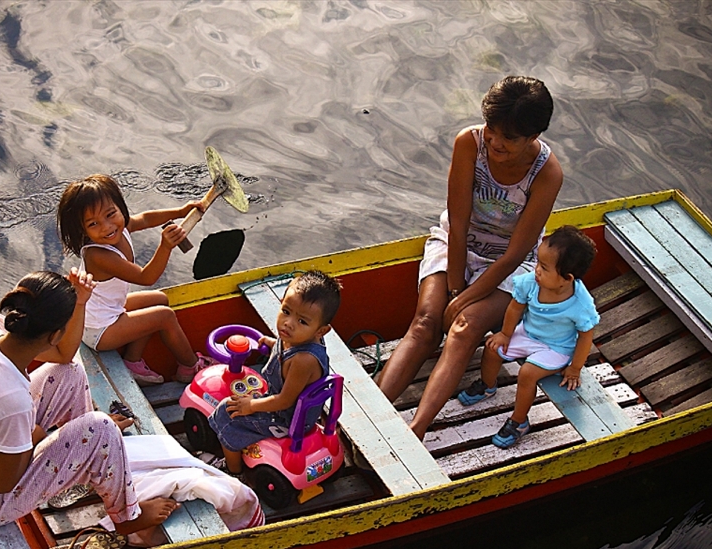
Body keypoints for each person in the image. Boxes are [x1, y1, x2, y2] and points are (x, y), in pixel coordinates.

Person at [376, 76, 563, 440]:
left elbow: (514, 255)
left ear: (533, 137)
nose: (494, 142)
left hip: (511, 263)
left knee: (463, 329)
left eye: (508, 138)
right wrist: (456, 285)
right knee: (425, 324)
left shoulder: (547, 173)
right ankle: (370, 417)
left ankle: (416, 429)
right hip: (457, 244)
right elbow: (458, 222)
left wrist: (463, 301)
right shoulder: (469, 143)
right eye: (491, 130)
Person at [0, 269, 179, 541]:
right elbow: (4, 484)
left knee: (70, 373)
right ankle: (126, 517)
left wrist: (81, 300)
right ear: (54, 335)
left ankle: (90, 458)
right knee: (102, 427)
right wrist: (36, 435)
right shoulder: (11, 401)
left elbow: (65, 356)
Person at [56, 174, 213, 385]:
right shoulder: (98, 255)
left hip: (110, 309)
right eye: (93, 224)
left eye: (111, 214)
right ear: (82, 230)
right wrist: (165, 247)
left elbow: (147, 219)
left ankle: (133, 362)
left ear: (120, 208)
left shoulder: (120, 228)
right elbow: (146, 277)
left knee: (160, 300)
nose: (107, 226)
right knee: (164, 316)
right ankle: (190, 367)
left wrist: (180, 211)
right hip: (98, 329)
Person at [457, 225, 599, 448]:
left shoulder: (580, 303)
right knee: (493, 347)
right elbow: (515, 308)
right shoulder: (531, 282)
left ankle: (519, 421)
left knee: (527, 373)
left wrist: (575, 368)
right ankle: (487, 385)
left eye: (544, 267)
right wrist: (505, 334)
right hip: (528, 332)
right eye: (537, 263)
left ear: (566, 278)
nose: (536, 270)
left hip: (556, 347)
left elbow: (585, 336)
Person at [207, 271, 342, 476]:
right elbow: (287, 347)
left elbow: (284, 401)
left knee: (227, 413)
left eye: (302, 321)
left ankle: (233, 470)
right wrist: (273, 344)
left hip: (285, 419)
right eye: (286, 311)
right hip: (285, 406)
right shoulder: (296, 338)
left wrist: (250, 406)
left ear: (321, 331)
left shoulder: (303, 360)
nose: (288, 323)